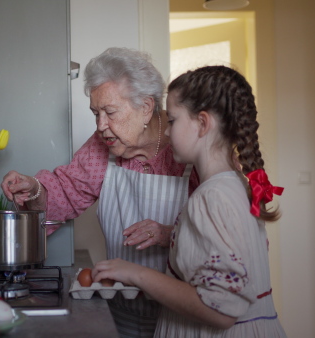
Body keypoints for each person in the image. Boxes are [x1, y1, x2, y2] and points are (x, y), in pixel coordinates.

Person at [1, 47, 199, 337]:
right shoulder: (102, 145)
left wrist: (170, 233)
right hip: (124, 309)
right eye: (95, 114)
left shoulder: (185, 141)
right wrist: (33, 188)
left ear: (145, 107)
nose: (101, 126)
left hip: (184, 316)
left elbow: (220, 228)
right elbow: (66, 193)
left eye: (110, 112)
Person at [91, 65, 287, 337]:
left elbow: (221, 310)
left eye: (172, 120)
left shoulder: (210, 198)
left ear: (203, 124)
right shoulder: (235, 186)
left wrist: (136, 273)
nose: (167, 132)